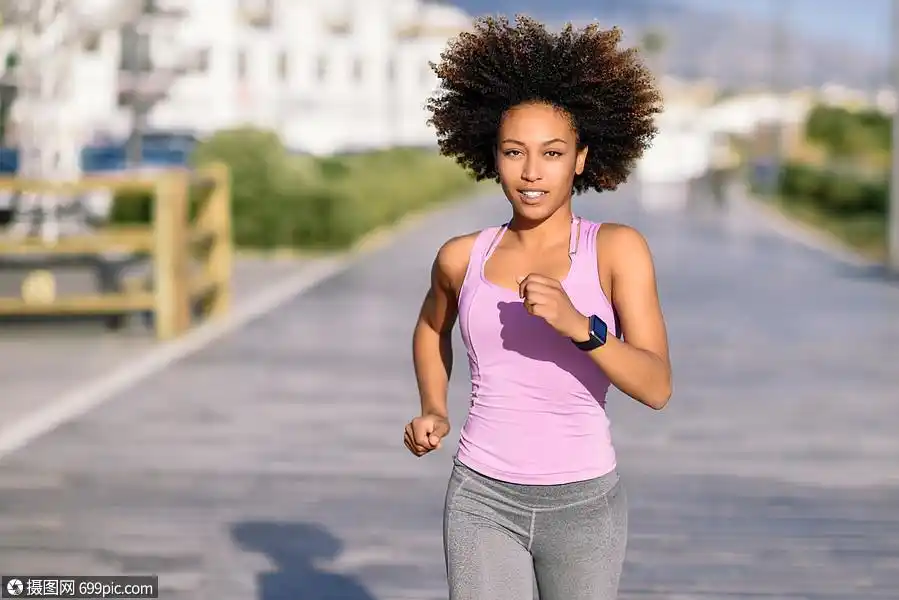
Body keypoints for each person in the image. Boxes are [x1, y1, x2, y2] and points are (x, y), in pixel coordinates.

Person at [403, 15, 671, 600]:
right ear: (492, 156)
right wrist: (434, 407)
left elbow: (656, 387)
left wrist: (581, 327)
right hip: (481, 496)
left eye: (552, 153)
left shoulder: (616, 250)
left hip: (584, 504)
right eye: (513, 152)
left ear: (581, 159)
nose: (530, 172)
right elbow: (429, 328)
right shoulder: (461, 257)